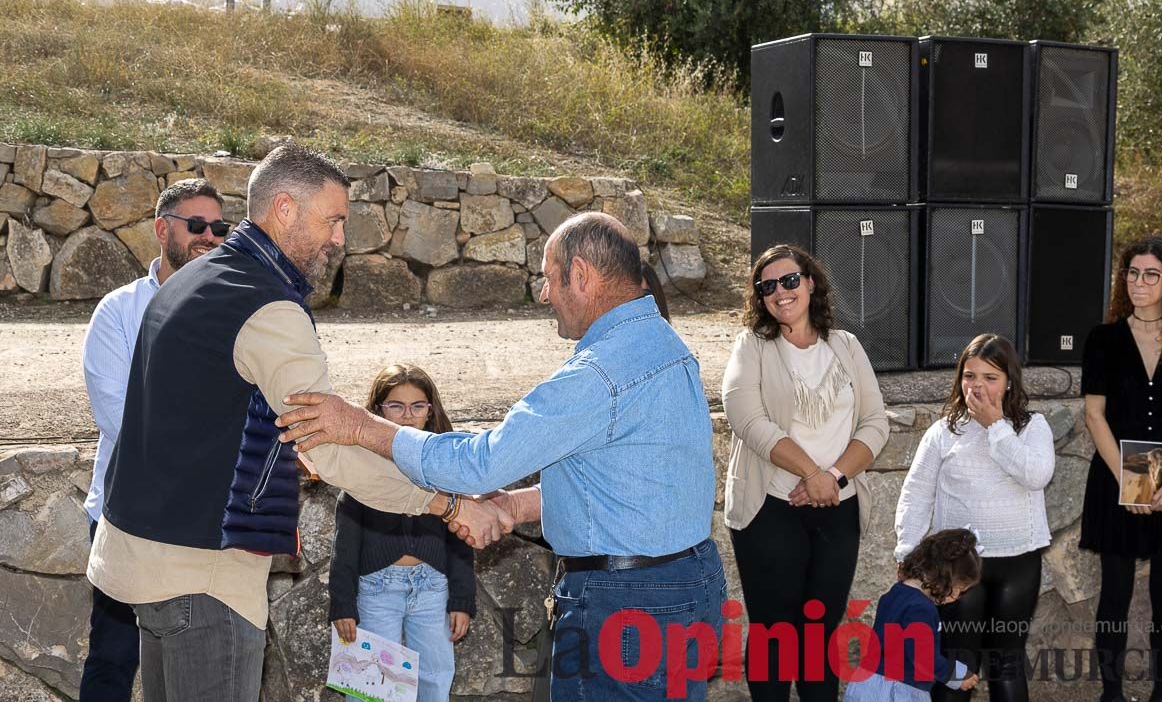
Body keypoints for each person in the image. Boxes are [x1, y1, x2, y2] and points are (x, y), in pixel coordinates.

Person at [85, 143, 511, 702]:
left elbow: (222, 416)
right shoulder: (268, 308)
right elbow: (331, 448)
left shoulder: (193, 277)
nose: (340, 239)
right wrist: (451, 504)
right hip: (203, 577)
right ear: (284, 208)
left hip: (140, 559)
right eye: (333, 220)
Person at [278, 212, 725, 701]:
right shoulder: (665, 345)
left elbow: (478, 463)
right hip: (688, 583)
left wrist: (359, 425)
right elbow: (629, 482)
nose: (545, 294)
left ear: (580, 275)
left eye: (549, 278)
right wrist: (513, 507)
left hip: (627, 605)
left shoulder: (599, 374)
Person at [79, 178, 227, 702]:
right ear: (163, 229)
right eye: (197, 225)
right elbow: (121, 418)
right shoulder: (118, 312)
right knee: (114, 657)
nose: (210, 236)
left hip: (202, 522)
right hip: (127, 515)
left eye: (220, 227)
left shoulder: (234, 312)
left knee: (194, 661)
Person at [720, 243, 889, 702]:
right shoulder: (752, 346)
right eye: (768, 286)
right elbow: (748, 419)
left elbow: (876, 424)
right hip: (770, 511)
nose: (781, 291)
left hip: (837, 507)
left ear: (811, 283)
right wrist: (811, 472)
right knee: (775, 636)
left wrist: (831, 478)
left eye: (790, 280)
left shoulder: (846, 346)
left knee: (818, 635)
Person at [894, 334, 1054, 702]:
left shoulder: (1033, 427)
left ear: (1009, 381)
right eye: (970, 376)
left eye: (990, 377)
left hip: (1018, 561)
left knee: (1007, 662)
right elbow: (917, 492)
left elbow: (1036, 475)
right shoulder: (943, 431)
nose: (978, 386)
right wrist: (906, 554)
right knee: (957, 663)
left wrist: (997, 425)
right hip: (957, 568)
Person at [1080, 235, 1162, 702]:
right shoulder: (1104, 339)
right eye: (1132, 272)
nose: (1138, 282)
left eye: (1151, 274)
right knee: (1115, 594)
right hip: (1116, 478)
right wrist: (1131, 484)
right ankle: (1111, 693)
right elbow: (1094, 414)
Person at [329, 364, 475, 702]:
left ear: (430, 410)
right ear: (377, 411)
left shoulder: (445, 469)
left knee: (436, 679)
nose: (407, 415)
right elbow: (345, 546)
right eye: (395, 405)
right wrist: (342, 605)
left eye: (417, 406)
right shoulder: (361, 471)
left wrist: (462, 600)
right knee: (369, 686)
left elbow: (460, 540)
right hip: (376, 590)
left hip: (432, 589)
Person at [844, 529, 982, 702]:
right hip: (897, 690)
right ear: (945, 577)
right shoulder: (922, 609)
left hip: (866, 683)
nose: (957, 598)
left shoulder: (894, 593)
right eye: (960, 589)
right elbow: (923, 657)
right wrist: (957, 676)